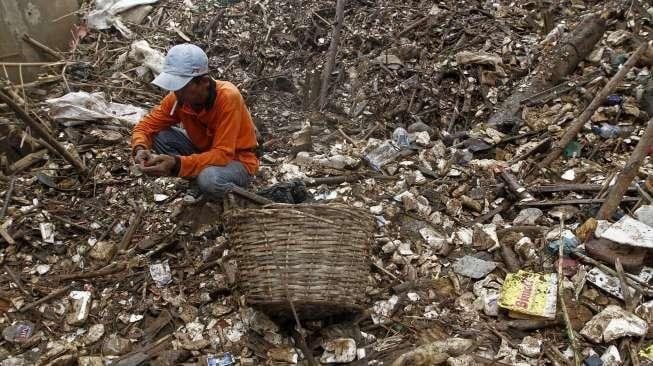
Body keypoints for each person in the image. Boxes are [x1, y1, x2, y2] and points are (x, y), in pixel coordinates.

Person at [131, 43, 259, 199]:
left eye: (183, 87)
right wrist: (139, 147)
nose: (177, 93)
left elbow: (222, 155)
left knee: (209, 179)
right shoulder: (178, 98)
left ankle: (237, 197)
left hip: (236, 161)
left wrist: (177, 164)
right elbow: (146, 126)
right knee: (160, 135)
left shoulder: (228, 97)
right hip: (204, 152)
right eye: (175, 87)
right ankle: (195, 177)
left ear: (204, 82)